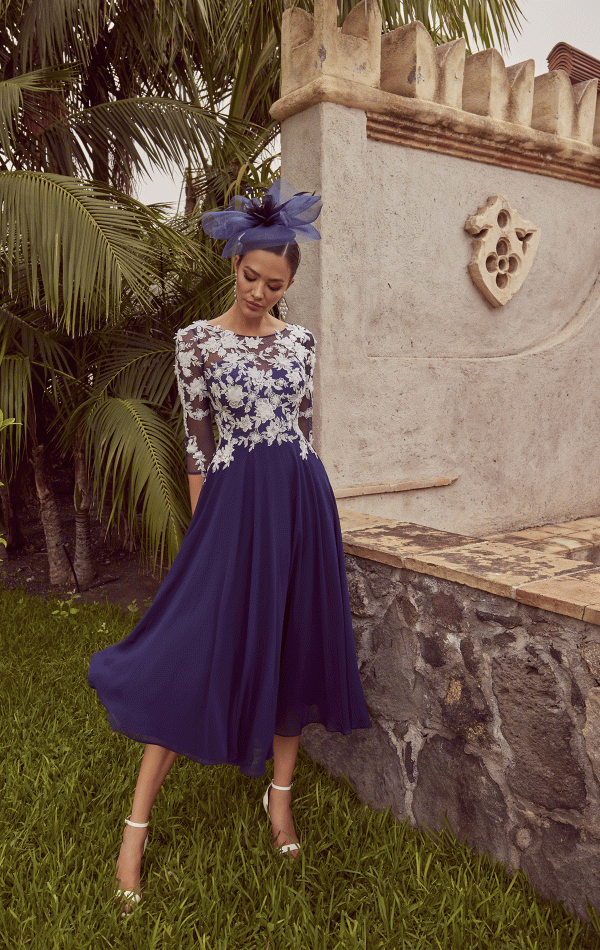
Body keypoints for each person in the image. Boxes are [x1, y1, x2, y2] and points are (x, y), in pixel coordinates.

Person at [87, 179, 372, 915]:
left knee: (294, 647)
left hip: (303, 503)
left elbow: (305, 433)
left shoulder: (303, 343)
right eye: (250, 277)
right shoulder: (197, 342)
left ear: (290, 284)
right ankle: (134, 832)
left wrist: (309, 508)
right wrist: (203, 538)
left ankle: (279, 803)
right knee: (196, 654)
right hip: (234, 507)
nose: (259, 294)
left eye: (274, 285)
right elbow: (195, 443)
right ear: (235, 266)